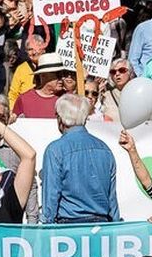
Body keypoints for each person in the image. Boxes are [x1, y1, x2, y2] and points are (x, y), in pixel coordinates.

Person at [40, 94, 119, 224]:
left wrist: (47, 225)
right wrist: (115, 226)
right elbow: (112, 199)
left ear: (60, 118)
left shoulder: (55, 150)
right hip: (102, 226)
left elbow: (51, 197)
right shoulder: (105, 149)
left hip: (70, 226)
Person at [12, 55, 71, 120]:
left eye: (63, 74)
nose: (62, 78)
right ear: (43, 76)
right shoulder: (24, 99)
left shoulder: (69, 99)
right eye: (57, 74)